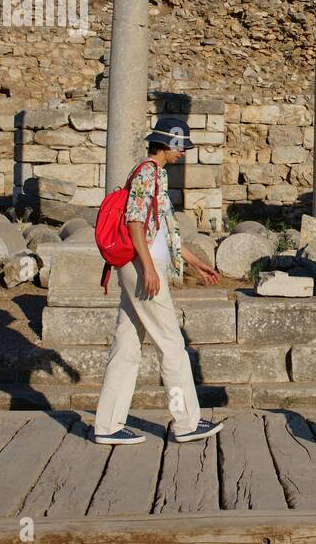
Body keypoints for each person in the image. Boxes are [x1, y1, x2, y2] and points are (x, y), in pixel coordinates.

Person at [93, 118, 223, 445]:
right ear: (166, 144)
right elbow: (134, 221)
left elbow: (165, 230)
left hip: (140, 267)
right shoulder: (147, 173)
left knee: (127, 347)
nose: (182, 153)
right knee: (172, 346)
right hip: (141, 269)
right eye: (180, 146)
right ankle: (185, 422)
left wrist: (196, 264)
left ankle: (107, 426)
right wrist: (149, 268)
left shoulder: (157, 175)